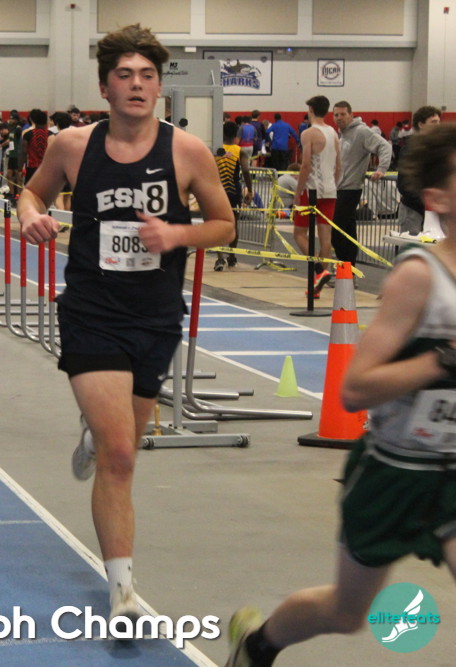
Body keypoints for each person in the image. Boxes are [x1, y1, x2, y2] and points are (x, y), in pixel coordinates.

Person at [17, 24, 235, 621]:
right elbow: (31, 194)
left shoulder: (187, 151)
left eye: (147, 76)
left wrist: (177, 234)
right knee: (118, 455)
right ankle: (123, 593)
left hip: (155, 318)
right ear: (104, 87)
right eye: (124, 75)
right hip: (91, 311)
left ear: (159, 87)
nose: (137, 85)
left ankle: (94, 429)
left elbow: (224, 225)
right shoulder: (72, 145)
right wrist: (30, 216)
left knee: (123, 450)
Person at [225, 122, 456, 667]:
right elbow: (354, 391)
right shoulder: (420, 277)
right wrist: (441, 361)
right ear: (438, 199)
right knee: (346, 613)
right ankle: (258, 644)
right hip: (394, 472)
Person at [331, 101, 392, 266]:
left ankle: (346, 267)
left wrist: (382, 169)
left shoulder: (361, 131)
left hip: (350, 189)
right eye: (336, 115)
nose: (339, 118)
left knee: (336, 230)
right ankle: (348, 271)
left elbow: (385, 146)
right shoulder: (341, 134)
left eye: (343, 114)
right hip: (338, 188)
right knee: (348, 231)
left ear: (351, 115)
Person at [293, 95, 340, 298]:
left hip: (311, 191)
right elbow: (339, 165)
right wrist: (333, 184)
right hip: (330, 189)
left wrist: (298, 191)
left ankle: (320, 271)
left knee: (299, 234)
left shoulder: (309, 133)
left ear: (311, 110)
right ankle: (318, 285)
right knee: (325, 237)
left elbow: (305, 165)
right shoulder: (333, 133)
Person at [396, 105, 442, 235]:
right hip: (413, 210)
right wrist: (426, 201)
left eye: (439, 122)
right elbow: (404, 184)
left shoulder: (439, 150)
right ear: (421, 124)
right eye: (433, 122)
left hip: (435, 211)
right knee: (410, 246)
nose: (437, 126)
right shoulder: (409, 149)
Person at [214, 121, 253, 270]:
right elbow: (246, 171)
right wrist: (250, 190)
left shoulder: (216, 150)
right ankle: (232, 257)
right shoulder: (239, 151)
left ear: (222, 133)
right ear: (236, 134)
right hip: (233, 192)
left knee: (217, 223)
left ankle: (220, 259)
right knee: (233, 224)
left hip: (218, 190)